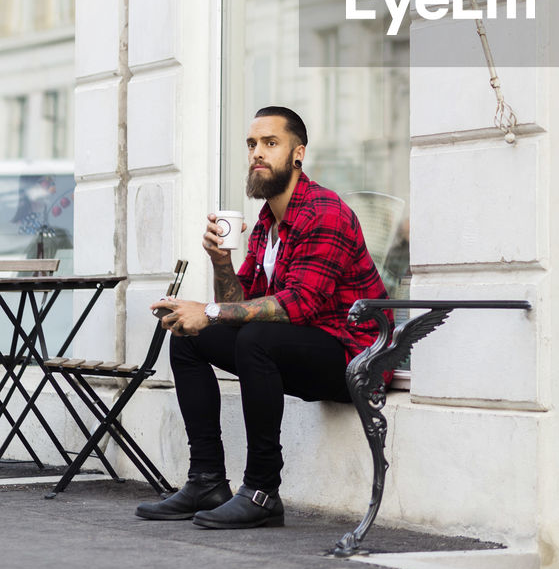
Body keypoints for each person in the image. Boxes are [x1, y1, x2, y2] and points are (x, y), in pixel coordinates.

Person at [135, 105, 389, 529]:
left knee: (256, 341)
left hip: (354, 359)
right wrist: (220, 262)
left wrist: (210, 310)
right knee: (187, 337)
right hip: (305, 346)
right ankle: (206, 481)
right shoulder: (267, 223)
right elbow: (244, 305)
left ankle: (262, 491)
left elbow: (298, 305)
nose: (257, 153)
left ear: (297, 154)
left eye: (270, 143)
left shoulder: (324, 211)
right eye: (252, 144)